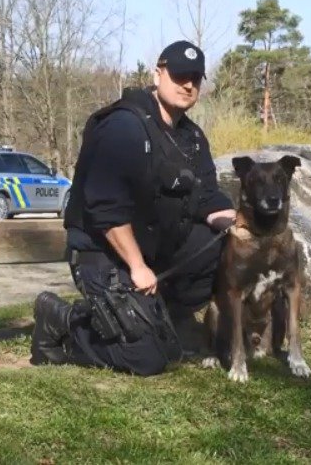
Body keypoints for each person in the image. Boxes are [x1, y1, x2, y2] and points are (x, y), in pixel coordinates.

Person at [30, 40, 236, 376]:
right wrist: (137, 266)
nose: (188, 85)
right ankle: (63, 324)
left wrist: (229, 218)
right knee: (148, 358)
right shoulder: (124, 126)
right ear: (158, 74)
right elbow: (106, 210)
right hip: (103, 256)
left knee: (220, 244)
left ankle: (162, 315)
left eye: (195, 79)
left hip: (154, 256)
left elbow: (207, 196)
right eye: (180, 75)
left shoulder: (193, 138)